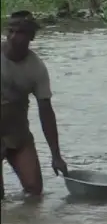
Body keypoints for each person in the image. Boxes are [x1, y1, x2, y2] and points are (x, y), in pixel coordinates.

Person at [1, 11, 68, 197]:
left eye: (20, 33)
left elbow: (46, 112)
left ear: (31, 36)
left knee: (34, 191)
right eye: (11, 31)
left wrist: (56, 155)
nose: (14, 37)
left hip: (18, 135)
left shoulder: (36, 69)